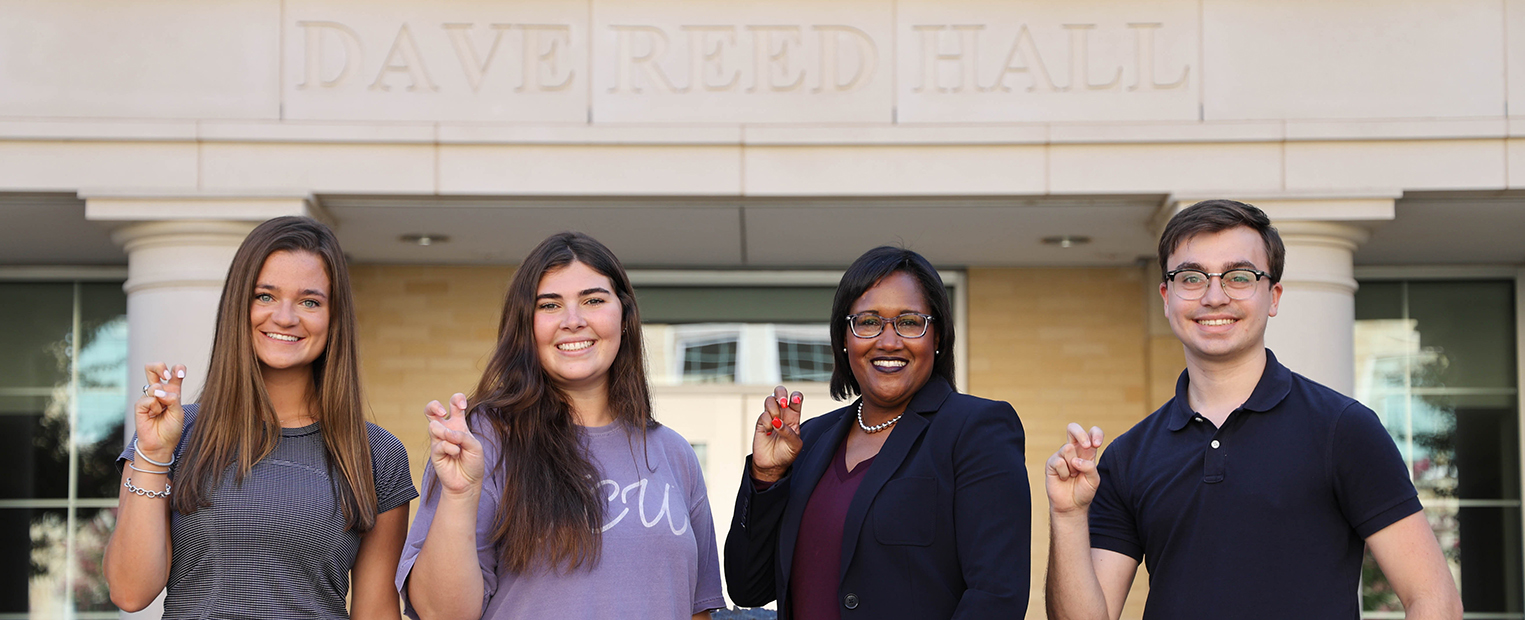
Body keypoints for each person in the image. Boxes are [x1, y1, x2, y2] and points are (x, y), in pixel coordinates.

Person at [1044, 199, 1463, 619]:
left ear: (1273, 295)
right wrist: (1067, 516)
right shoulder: (1129, 456)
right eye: (1191, 278)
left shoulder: (1342, 430)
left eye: (1239, 277)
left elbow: (1432, 598)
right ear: (1166, 297)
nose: (1214, 296)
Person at [103, 216, 417, 619]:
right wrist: (153, 453)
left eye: (310, 301)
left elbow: (375, 611)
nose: (285, 317)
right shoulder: (174, 433)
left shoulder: (377, 454)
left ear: (333, 317)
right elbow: (130, 592)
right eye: (265, 296)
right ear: (239, 306)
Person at [398, 232, 724, 620]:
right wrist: (458, 495)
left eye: (593, 300)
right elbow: (440, 613)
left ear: (624, 317)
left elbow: (697, 611)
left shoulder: (674, 453)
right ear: (525, 327)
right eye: (550, 305)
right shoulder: (485, 439)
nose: (573, 321)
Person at [725, 246, 1031, 620]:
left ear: (936, 337)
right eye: (868, 322)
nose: (888, 341)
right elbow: (748, 588)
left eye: (909, 322)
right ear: (845, 338)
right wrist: (767, 476)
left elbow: (996, 597)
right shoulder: (811, 441)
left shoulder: (977, 430)